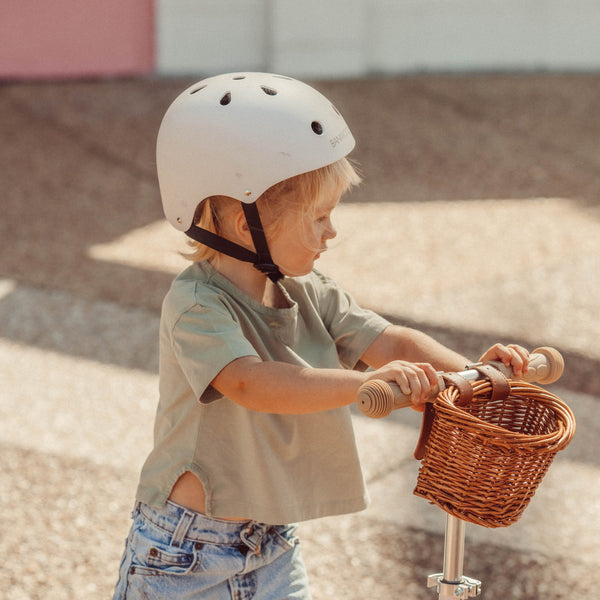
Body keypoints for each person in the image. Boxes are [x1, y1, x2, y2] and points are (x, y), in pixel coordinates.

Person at [113, 72, 530, 599]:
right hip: (185, 551)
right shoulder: (198, 306)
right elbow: (252, 383)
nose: (332, 232)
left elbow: (393, 343)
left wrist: (474, 371)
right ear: (247, 228)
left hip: (271, 541)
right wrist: (361, 386)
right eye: (319, 217)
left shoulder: (310, 291)